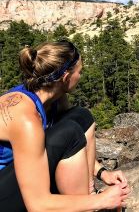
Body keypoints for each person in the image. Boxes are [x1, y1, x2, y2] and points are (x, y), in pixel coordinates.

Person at [0, 40, 128, 211]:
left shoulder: (52, 97)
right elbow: (37, 205)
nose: (81, 76)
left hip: (15, 177)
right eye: (80, 72)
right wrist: (104, 200)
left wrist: (102, 172)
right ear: (66, 77)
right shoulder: (26, 119)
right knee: (70, 132)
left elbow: (72, 144)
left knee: (81, 117)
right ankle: (88, 205)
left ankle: (87, 194)